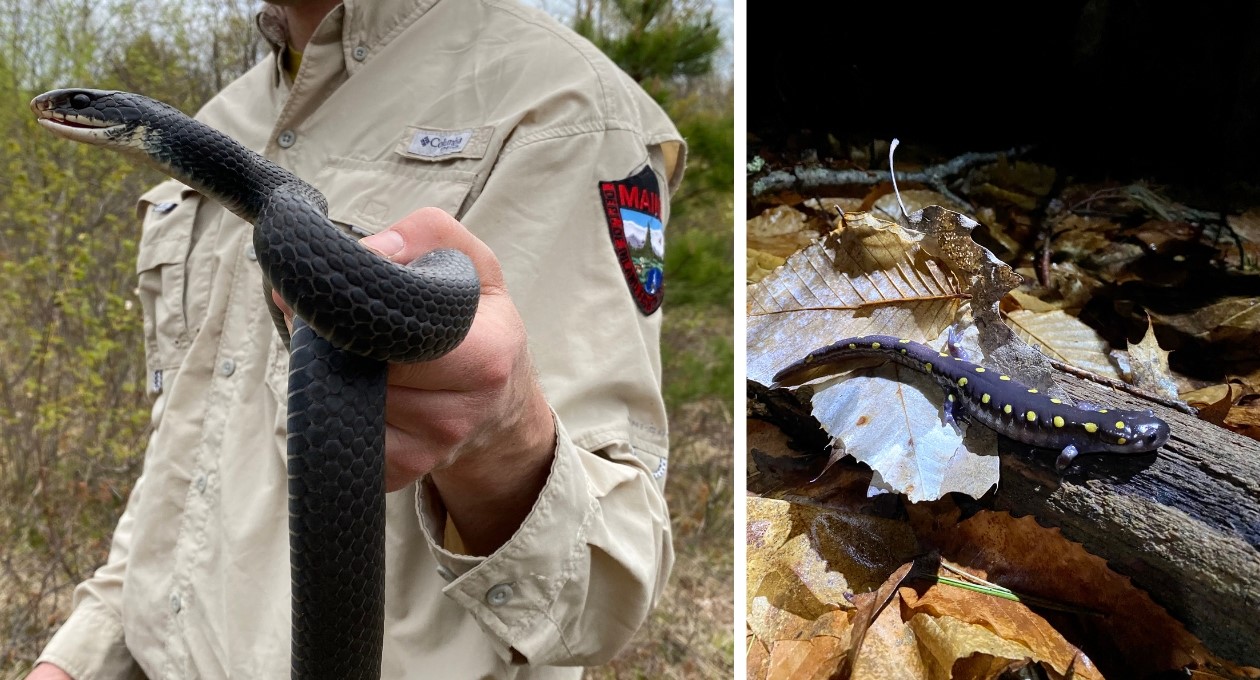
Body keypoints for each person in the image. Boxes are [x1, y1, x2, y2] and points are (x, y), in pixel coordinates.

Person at [27, 0, 683, 676]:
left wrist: (504, 436)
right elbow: (185, 450)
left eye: (80, 103)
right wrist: (80, 655)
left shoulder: (564, 107)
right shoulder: (222, 120)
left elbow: (603, 600)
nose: (60, 106)